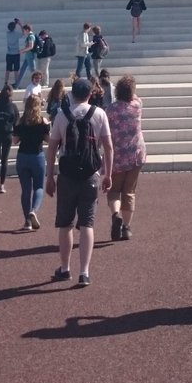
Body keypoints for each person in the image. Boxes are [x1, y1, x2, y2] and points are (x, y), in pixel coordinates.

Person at [45, 77, 113, 286]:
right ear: (90, 94)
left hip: (67, 175)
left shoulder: (61, 115)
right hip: (90, 174)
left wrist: (49, 176)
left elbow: (53, 148)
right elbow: (109, 147)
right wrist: (108, 173)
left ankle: (65, 268)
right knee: (87, 224)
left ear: (71, 93)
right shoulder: (99, 114)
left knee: (65, 224)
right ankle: (84, 272)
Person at [107, 75, 146, 242]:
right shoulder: (137, 106)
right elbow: (136, 97)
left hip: (117, 155)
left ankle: (116, 215)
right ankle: (127, 227)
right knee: (129, 192)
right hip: (135, 153)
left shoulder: (111, 109)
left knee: (114, 191)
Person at [12, 94, 50, 230]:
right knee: (39, 187)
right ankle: (33, 210)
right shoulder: (42, 121)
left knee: (26, 190)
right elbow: (49, 140)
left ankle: (27, 222)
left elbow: (15, 141)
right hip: (37, 156)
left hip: (22, 156)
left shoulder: (21, 121)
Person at [15, 23, 38, 88]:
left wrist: (22, 50)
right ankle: (17, 85)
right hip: (28, 56)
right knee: (22, 70)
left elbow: (31, 46)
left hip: (30, 56)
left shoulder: (31, 36)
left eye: (24, 30)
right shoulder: (30, 36)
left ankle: (36, 84)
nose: (24, 32)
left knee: (33, 71)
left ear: (27, 30)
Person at [4, 19, 23, 87]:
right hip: (16, 54)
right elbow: (23, 33)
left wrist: (14, 24)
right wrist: (19, 24)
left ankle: (6, 83)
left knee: (8, 69)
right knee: (16, 70)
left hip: (9, 54)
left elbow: (11, 28)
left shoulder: (7, 34)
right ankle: (17, 83)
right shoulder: (17, 34)